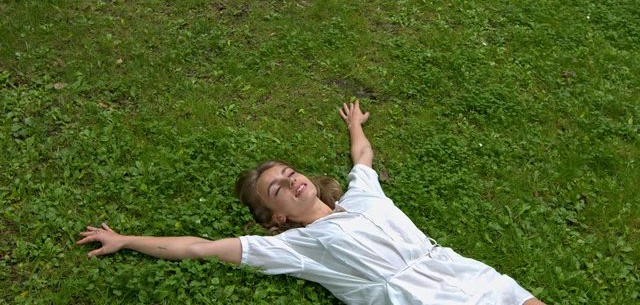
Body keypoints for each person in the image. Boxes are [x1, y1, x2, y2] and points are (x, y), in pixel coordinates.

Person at [78, 100, 544, 305]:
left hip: (460, 271)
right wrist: (125, 240)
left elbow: (362, 157)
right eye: (277, 188)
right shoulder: (295, 247)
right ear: (277, 216)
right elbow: (200, 247)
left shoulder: (362, 194)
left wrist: (355, 124)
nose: (291, 180)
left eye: (289, 172)